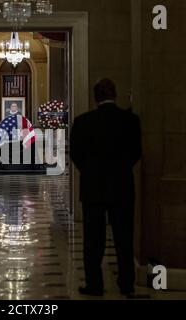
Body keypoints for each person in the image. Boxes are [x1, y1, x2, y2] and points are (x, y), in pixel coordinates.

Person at [70, 78, 142, 296]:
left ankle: (95, 284)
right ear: (115, 95)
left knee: (93, 239)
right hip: (122, 187)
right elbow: (136, 152)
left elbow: (75, 154)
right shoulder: (130, 120)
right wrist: (120, 170)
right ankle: (127, 283)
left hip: (93, 188)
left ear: (95, 97)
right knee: (123, 237)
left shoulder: (83, 121)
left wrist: (90, 172)